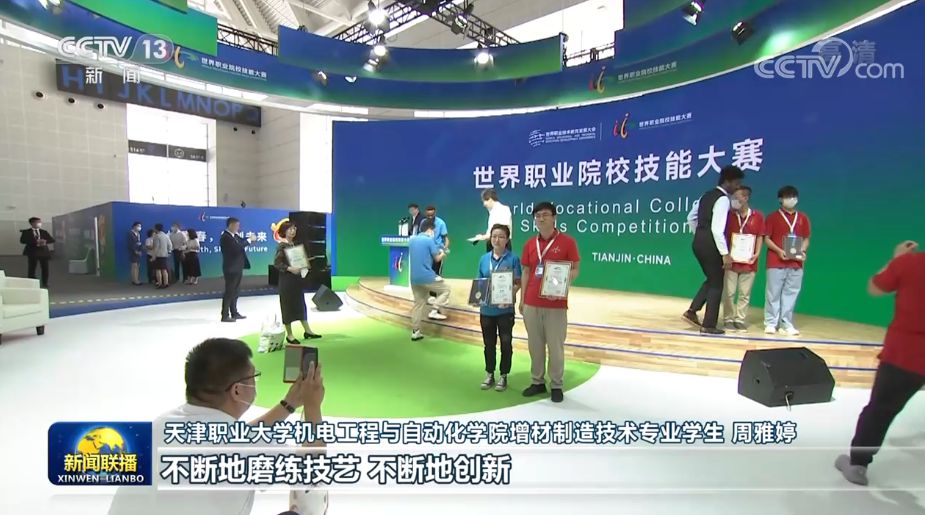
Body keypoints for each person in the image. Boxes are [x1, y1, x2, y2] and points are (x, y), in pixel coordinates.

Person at [107, 337, 327, 515]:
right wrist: (312, 406)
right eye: (254, 377)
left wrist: (288, 405)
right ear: (237, 390)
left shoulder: (161, 424)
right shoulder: (248, 449)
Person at [836, 240, 924, 486]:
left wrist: (896, 259)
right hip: (907, 354)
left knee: (880, 410)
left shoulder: (909, 263)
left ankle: (858, 464)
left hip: (905, 355)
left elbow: (875, 287)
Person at [519, 201, 580, 403]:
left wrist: (562, 285)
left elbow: (575, 269)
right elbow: (526, 271)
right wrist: (522, 299)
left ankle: (556, 385)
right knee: (535, 346)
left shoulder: (568, 242)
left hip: (556, 304)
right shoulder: (530, 244)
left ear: (554, 218)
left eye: (545, 214)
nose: (541, 218)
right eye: (537, 216)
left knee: (555, 347)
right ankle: (537, 381)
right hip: (531, 303)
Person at [682, 165, 745, 335]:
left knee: (712, 278)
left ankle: (692, 311)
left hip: (698, 242)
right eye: (736, 183)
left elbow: (690, 218)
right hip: (711, 244)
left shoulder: (705, 195)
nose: (737, 187)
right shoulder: (723, 199)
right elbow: (717, 229)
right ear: (727, 181)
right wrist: (725, 254)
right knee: (717, 283)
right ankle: (709, 325)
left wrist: (700, 234)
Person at [476, 224, 521, 391]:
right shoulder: (483, 259)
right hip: (486, 310)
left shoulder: (513, 259)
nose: (497, 240)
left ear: (507, 239)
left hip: (505, 310)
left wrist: (510, 295)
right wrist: (477, 297)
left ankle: (504, 375)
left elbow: (518, 282)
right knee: (488, 344)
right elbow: (480, 283)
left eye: (501, 236)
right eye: (494, 236)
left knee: (506, 343)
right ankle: (489, 373)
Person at [763, 185, 811, 336]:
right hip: (776, 261)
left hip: (796, 262)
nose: (791, 199)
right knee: (773, 293)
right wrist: (779, 250)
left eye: (793, 196)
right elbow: (766, 238)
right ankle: (771, 323)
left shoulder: (802, 218)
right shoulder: (772, 217)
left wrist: (803, 251)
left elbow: (806, 238)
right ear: (780, 199)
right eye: (788, 197)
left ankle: (786, 323)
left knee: (791, 293)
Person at [721, 186, 764, 332]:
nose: (733, 200)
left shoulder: (757, 216)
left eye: (736, 197)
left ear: (745, 198)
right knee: (729, 293)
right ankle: (728, 319)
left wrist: (757, 253)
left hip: (749, 262)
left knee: (745, 293)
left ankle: (739, 319)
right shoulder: (729, 215)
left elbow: (760, 236)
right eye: (732, 197)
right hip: (731, 261)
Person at [274, 222, 322, 342]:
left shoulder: (295, 245)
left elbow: (300, 260)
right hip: (286, 280)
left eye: (294, 229)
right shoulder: (281, 246)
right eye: (290, 229)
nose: (293, 231)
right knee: (287, 306)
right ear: (284, 231)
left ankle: (308, 331)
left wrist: (305, 263)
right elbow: (277, 264)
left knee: (300, 304)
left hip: (297, 280)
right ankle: (290, 335)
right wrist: (290, 268)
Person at [409, 218, 451, 340]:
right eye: (433, 230)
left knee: (418, 304)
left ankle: (415, 332)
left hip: (414, 278)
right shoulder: (429, 240)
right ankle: (434, 309)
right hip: (427, 277)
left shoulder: (412, 240)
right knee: (446, 290)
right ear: (429, 230)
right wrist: (444, 253)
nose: (434, 233)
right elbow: (437, 258)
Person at [220, 217, 254, 322]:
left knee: (235, 291)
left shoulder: (234, 236)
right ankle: (225, 315)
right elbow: (237, 247)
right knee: (229, 291)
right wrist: (249, 240)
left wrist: (249, 239)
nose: (238, 227)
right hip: (231, 268)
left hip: (238, 267)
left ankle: (234, 312)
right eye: (237, 225)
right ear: (231, 225)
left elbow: (242, 241)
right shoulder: (225, 237)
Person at [19, 216, 55, 288]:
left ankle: (45, 283)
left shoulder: (43, 231)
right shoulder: (26, 232)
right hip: (32, 252)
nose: (40, 223)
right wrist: (35, 242)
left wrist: (45, 241)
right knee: (32, 268)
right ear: (32, 223)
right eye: (38, 222)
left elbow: (52, 240)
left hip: (43, 252)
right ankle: (31, 282)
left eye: (40, 222)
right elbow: (22, 241)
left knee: (45, 268)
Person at [152, 223, 173, 289]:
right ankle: (166, 283)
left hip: (158, 255)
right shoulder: (166, 235)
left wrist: (154, 256)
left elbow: (156, 247)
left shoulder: (157, 236)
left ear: (156, 228)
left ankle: (160, 283)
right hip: (165, 255)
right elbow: (170, 245)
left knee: (158, 270)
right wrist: (169, 252)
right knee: (164, 270)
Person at [127, 221, 143, 286]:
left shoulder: (138, 234)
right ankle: (135, 280)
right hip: (133, 252)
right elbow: (130, 244)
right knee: (134, 266)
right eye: (138, 226)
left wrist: (140, 250)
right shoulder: (130, 234)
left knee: (137, 266)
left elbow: (139, 243)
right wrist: (135, 251)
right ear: (134, 226)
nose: (139, 227)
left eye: (140, 226)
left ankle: (136, 279)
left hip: (138, 251)